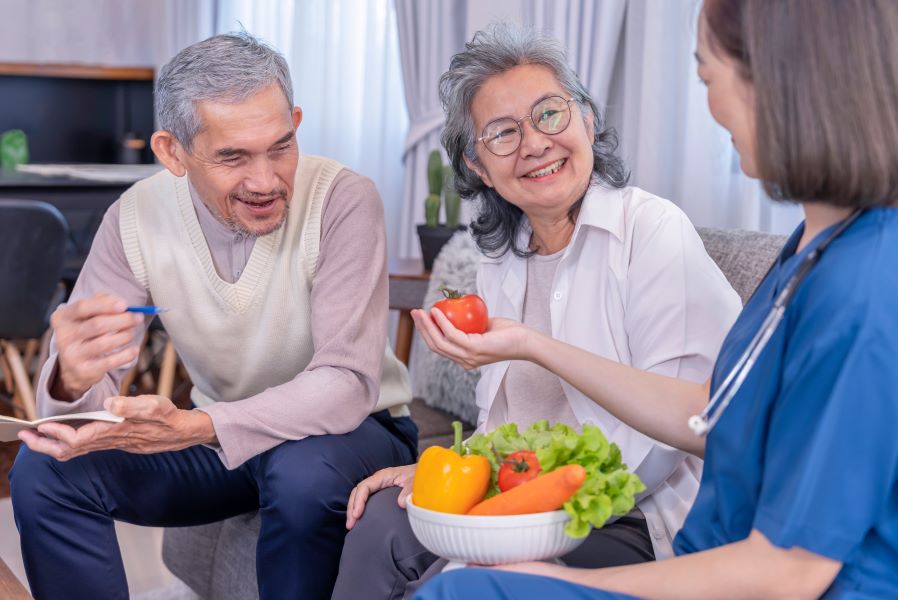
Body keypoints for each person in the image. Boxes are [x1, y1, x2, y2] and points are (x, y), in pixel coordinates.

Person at [414, 0, 898, 598]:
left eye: (707, 78)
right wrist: (530, 345)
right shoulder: (812, 250)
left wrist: (557, 576)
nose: (713, 109)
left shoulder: (864, 287)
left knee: (462, 591)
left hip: (725, 560)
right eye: (506, 133)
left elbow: (791, 572)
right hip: (712, 552)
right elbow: (706, 416)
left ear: (780, 86)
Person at [331, 24, 742, 600]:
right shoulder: (501, 255)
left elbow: (667, 442)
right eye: (502, 133)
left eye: (550, 114)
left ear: (587, 121)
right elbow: (504, 425)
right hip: (519, 494)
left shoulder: (652, 232)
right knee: (377, 526)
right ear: (477, 164)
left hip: (632, 516)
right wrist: (452, 471)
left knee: (463, 577)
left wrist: (504, 505)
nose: (535, 143)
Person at [8, 33, 418, 600]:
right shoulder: (134, 217)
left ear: (296, 121)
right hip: (220, 441)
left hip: (353, 432)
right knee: (42, 473)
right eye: (233, 156)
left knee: (300, 474)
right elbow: (78, 408)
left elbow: (346, 384)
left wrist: (197, 426)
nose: (265, 180)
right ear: (172, 152)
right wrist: (73, 379)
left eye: (281, 146)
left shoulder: (344, 200)